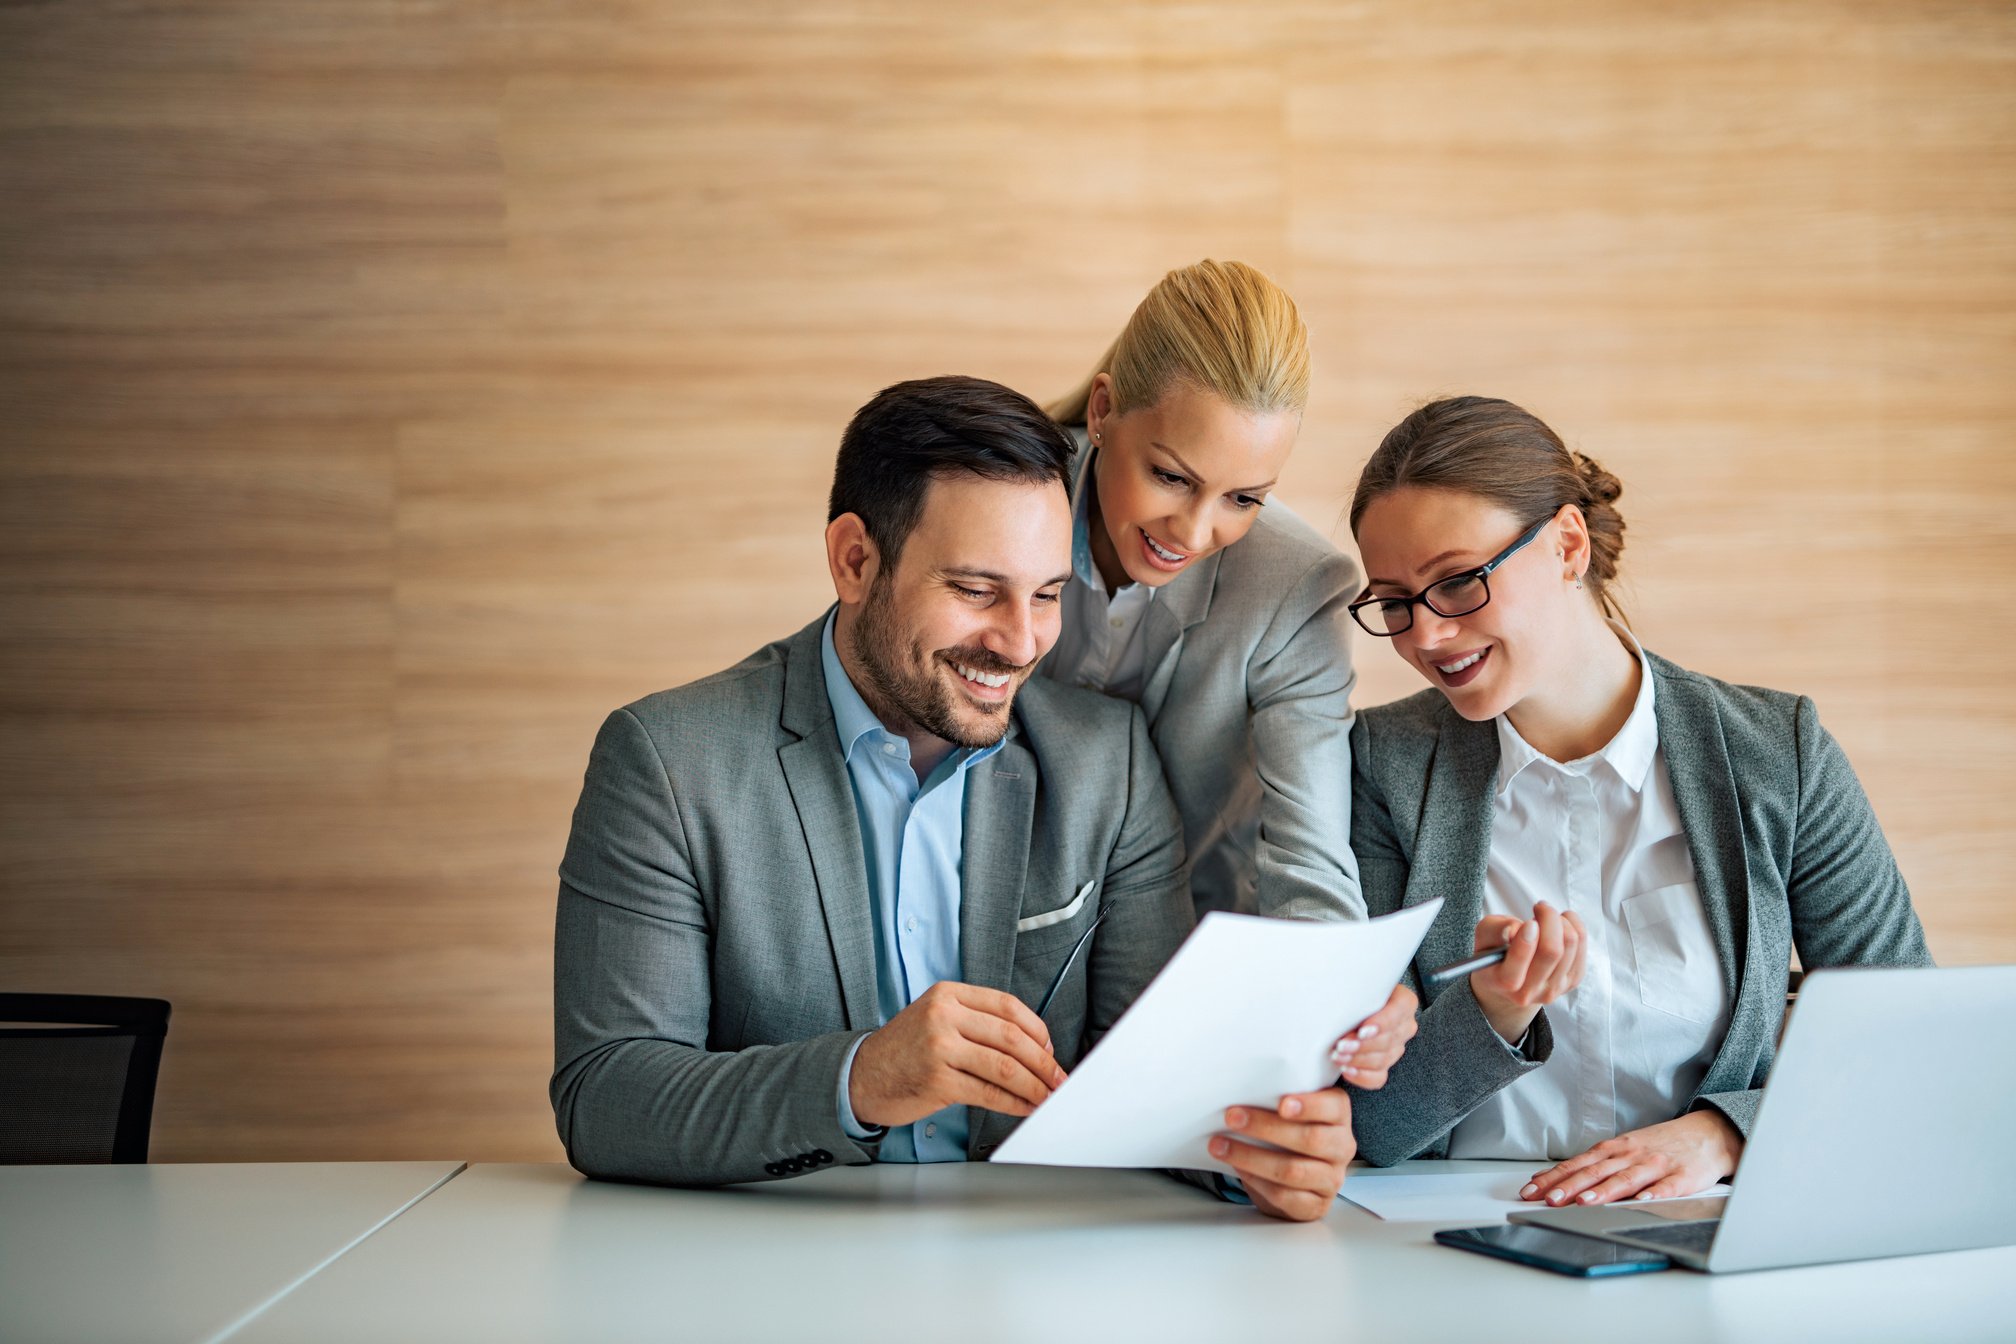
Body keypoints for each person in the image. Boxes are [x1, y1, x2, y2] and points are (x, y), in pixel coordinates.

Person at [550, 376, 1398, 1221]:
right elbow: (605, 1097)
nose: (1022, 642)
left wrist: (1260, 1149)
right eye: (974, 590)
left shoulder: (1110, 765)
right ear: (855, 561)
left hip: (1027, 1265)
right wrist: (862, 1077)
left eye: (1048, 594)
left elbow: (1147, 1080)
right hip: (772, 1261)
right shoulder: (667, 760)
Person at [1341, 395, 1931, 1206]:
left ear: (1567, 545)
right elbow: (1369, 1124)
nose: (1427, 637)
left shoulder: (1778, 754)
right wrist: (1494, 1011)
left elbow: (1912, 1044)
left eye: (1458, 582)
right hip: (1445, 1228)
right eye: (1397, 602)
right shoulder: (1379, 767)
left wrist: (1730, 1132)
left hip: (1707, 1224)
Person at [1042, 260, 1364, 929]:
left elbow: (1313, 865)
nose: (1191, 531)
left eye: (1243, 498)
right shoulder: (997, 503)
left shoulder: (1299, 590)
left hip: (1196, 938)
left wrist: (1340, 997)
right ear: (1102, 412)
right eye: (1170, 476)